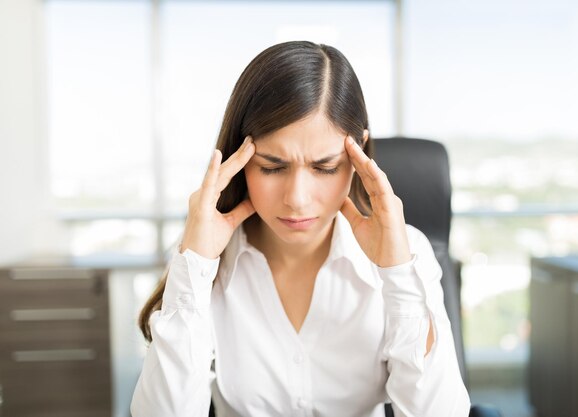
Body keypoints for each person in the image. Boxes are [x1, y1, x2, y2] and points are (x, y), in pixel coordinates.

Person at [130, 40, 470, 417]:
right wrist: (193, 267)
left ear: (358, 155)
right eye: (272, 167)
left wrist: (397, 274)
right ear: (239, 160)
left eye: (324, 167)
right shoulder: (203, 257)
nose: (297, 198)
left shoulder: (408, 252)